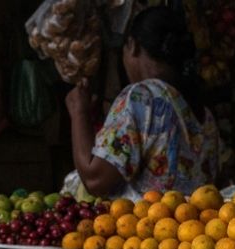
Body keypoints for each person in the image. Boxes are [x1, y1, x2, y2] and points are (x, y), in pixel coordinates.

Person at [65, 6, 220, 201]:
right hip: (190, 228)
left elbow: (95, 180)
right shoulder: (203, 111)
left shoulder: (141, 97)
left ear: (133, 46)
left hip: (143, 227)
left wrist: (79, 112)